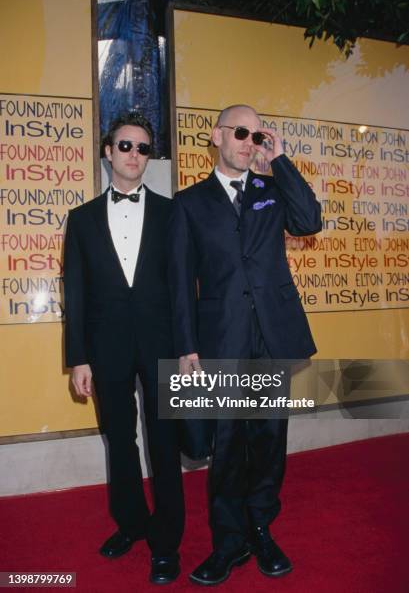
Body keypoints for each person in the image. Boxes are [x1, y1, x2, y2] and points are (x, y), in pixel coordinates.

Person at [168, 104, 322, 585]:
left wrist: (278, 160)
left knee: (269, 441)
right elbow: (179, 282)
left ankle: (261, 527)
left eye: (257, 135)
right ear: (216, 136)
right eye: (240, 132)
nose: (248, 141)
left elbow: (310, 221)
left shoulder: (272, 190)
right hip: (221, 340)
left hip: (271, 337)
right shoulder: (188, 203)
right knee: (228, 446)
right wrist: (187, 345)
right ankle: (229, 543)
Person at [64, 113, 184, 584]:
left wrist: (189, 351)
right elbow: (75, 292)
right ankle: (132, 524)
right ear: (108, 151)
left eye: (143, 148)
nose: (135, 155)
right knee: (120, 439)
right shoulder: (82, 219)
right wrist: (78, 357)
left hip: (163, 345)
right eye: (126, 146)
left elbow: (182, 288)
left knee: (165, 443)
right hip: (105, 347)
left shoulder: (173, 213)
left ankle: (167, 543)